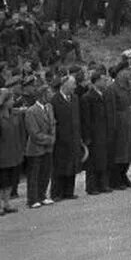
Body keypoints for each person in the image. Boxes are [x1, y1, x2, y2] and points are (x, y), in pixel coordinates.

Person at [79, 70, 114, 195]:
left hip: (103, 132)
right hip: (94, 135)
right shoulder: (87, 97)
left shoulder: (103, 95)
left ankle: (103, 184)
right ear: (96, 81)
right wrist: (87, 137)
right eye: (103, 80)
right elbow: (86, 119)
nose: (105, 82)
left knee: (103, 159)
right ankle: (92, 186)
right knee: (93, 162)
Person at [49, 73, 82, 201]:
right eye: (73, 84)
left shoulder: (75, 98)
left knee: (72, 165)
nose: (75, 86)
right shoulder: (55, 100)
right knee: (59, 166)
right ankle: (56, 193)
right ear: (64, 85)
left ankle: (69, 191)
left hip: (74, 136)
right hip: (60, 139)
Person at [23, 85, 56, 208]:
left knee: (45, 172)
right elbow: (34, 133)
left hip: (48, 147)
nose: (51, 95)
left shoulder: (50, 107)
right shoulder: (31, 111)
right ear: (43, 95)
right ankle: (32, 198)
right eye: (49, 93)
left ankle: (42, 195)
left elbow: (53, 124)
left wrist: (52, 137)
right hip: (35, 148)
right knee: (34, 174)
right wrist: (49, 139)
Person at [0, 88, 24, 214]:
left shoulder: (15, 114)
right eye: (11, 99)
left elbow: (20, 132)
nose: (13, 101)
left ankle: (7, 203)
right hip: (2, 155)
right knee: (1, 181)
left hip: (14, 152)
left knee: (10, 180)